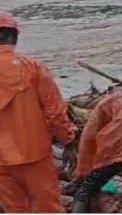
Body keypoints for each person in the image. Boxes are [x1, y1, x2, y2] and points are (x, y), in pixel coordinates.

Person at [0, 11, 76, 213]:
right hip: (35, 154)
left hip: (2, 161)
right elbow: (55, 111)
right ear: (14, 37)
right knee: (48, 208)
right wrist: (67, 140)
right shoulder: (33, 68)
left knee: (15, 209)